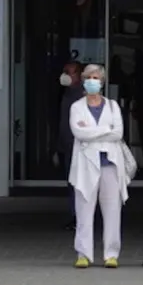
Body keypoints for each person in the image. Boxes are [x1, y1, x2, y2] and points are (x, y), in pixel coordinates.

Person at [67, 63, 135, 268]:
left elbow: (118, 133)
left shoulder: (113, 106)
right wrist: (105, 129)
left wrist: (92, 132)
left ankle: (111, 254)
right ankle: (83, 254)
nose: (92, 81)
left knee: (112, 210)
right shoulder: (76, 107)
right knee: (84, 210)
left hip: (110, 164)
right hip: (86, 165)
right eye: (88, 77)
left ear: (102, 82)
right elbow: (78, 133)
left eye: (96, 78)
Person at [56, 60, 84, 228]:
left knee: (78, 183)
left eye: (70, 72)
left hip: (79, 146)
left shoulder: (81, 95)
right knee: (72, 183)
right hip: (68, 145)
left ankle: (79, 217)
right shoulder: (66, 94)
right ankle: (75, 215)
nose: (66, 75)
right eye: (65, 71)